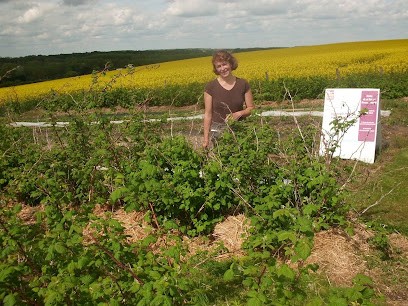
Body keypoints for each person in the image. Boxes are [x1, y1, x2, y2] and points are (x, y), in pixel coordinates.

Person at [202, 50, 255, 148]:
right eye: (219, 66)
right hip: (218, 131)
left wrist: (239, 114)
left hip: (239, 129)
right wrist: (206, 139)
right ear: (216, 69)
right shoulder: (210, 87)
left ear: (230, 64)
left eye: (224, 64)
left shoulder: (243, 84)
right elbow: (208, 114)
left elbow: (251, 108)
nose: (222, 68)